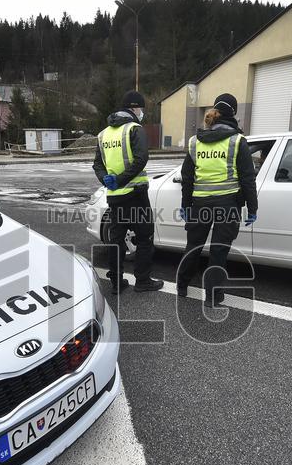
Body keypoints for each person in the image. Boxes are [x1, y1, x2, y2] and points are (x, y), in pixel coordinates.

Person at [175, 93, 258, 307]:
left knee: (193, 245)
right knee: (219, 250)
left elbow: (187, 177)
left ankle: (182, 287)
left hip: (200, 204)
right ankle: (213, 297)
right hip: (227, 204)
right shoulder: (237, 141)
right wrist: (252, 207)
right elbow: (248, 178)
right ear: (233, 115)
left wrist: (185, 205)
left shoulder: (195, 142)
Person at [92, 90, 163, 293]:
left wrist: (107, 180)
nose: (142, 113)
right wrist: (121, 180)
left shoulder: (103, 134)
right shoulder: (134, 128)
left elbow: (97, 164)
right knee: (144, 237)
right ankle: (142, 281)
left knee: (116, 240)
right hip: (136, 194)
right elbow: (141, 159)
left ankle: (116, 282)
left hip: (114, 197)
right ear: (134, 108)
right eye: (141, 108)